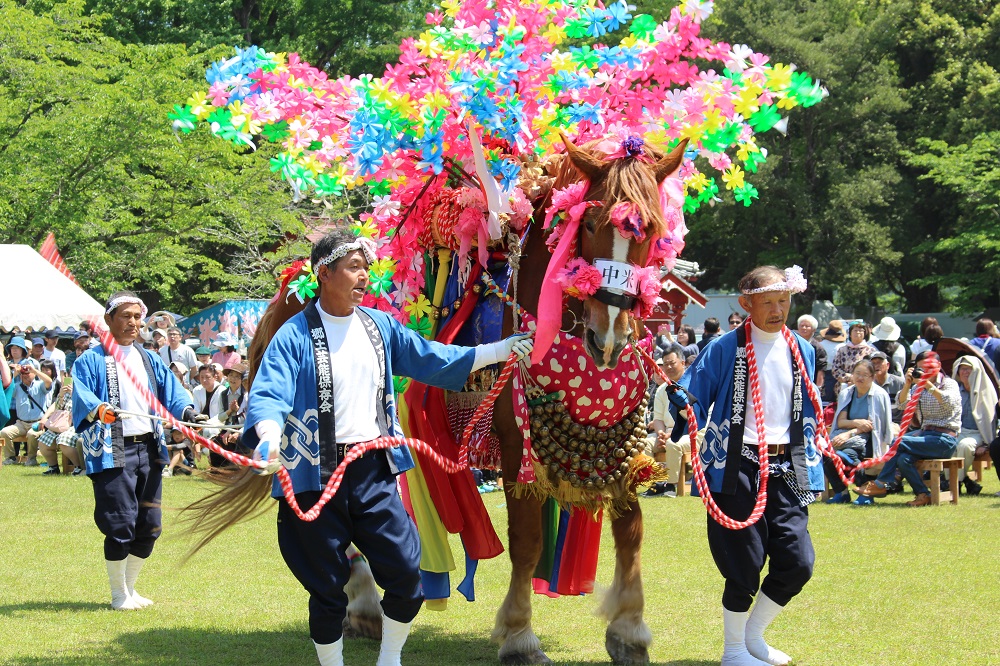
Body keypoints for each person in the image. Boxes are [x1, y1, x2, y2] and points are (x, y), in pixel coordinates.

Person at [196, 231, 533, 666]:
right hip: (312, 477)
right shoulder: (293, 336)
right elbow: (269, 394)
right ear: (324, 273)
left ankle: (389, 659)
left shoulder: (380, 327)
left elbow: (432, 359)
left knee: (406, 575)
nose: (363, 276)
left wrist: (499, 350)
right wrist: (266, 436)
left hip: (373, 471)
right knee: (326, 587)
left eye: (365, 268)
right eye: (353, 267)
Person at [671, 265, 821, 666]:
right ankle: (733, 651)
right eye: (768, 302)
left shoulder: (802, 349)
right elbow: (693, 391)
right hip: (735, 465)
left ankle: (753, 637)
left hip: (786, 465)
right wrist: (685, 407)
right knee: (744, 564)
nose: (777, 309)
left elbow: (806, 412)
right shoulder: (724, 347)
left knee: (798, 562)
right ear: (746, 304)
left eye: (784, 301)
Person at [71, 291, 204, 610]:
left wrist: (187, 412)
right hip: (111, 451)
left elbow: (172, 392)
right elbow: (83, 396)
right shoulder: (90, 359)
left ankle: (129, 589)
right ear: (108, 320)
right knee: (120, 522)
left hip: (149, 447)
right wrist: (99, 409)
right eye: (125, 316)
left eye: (136, 317)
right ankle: (118, 594)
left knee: (150, 523)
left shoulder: (149, 358)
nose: (133, 322)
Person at [856, 351, 962, 507]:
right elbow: (901, 404)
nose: (923, 372)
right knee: (903, 459)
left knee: (898, 441)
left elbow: (948, 402)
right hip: (924, 435)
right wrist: (907, 384)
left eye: (927, 368)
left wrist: (928, 385)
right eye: (920, 369)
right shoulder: (918, 386)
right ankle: (923, 494)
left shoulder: (949, 383)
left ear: (938, 367)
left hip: (944, 440)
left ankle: (882, 482)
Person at [823, 359, 893, 505]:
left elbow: (871, 425)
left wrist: (849, 433)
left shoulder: (878, 395)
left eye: (865, 375)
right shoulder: (847, 393)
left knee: (851, 455)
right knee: (827, 456)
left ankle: (865, 493)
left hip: (870, 440)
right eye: (857, 373)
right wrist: (856, 423)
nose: (860, 378)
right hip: (846, 436)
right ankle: (841, 492)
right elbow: (841, 421)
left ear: (872, 377)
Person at [644, 343, 687, 498]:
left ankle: (671, 485)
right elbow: (658, 418)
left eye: (672, 363)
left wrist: (670, 435)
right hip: (667, 432)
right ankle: (656, 483)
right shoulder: (662, 389)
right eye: (665, 364)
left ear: (683, 363)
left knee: (673, 443)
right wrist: (661, 433)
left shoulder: (693, 384)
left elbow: (696, 418)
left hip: (691, 433)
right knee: (643, 443)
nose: (668, 367)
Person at [951, 355, 996, 496]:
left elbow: (990, 422)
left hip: (977, 433)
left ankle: (953, 483)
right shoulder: (955, 391)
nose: (965, 372)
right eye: (962, 369)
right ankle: (964, 482)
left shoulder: (986, 391)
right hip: (958, 431)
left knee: (965, 446)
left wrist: (987, 444)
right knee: (949, 446)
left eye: (969, 369)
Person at [0, 358, 52, 466]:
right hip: (21, 423)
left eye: (28, 373)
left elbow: (49, 381)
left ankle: (31, 459)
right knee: (4, 432)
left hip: (37, 423)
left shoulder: (39, 385)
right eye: (24, 374)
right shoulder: (18, 387)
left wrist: (34, 370)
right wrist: (15, 373)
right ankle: (10, 458)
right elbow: (7, 387)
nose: (26, 375)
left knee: (31, 434)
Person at [37, 382, 83, 475]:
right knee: (43, 441)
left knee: (63, 439)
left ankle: (79, 467)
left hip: (77, 424)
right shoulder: (65, 391)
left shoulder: (82, 390)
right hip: (62, 424)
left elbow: (83, 407)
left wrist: (74, 394)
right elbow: (58, 408)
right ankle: (53, 468)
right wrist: (61, 395)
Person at [830, 321, 876, 391]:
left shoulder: (870, 351)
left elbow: (872, 370)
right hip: (843, 386)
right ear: (850, 334)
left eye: (861, 331)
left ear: (865, 334)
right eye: (855, 330)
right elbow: (835, 369)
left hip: (862, 386)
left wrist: (856, 379)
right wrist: (849, 378)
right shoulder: (842, 350)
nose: (858, 332)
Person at [870, 351, 904, 422]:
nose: (876, 365)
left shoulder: (900, 383)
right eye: (873, 363)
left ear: (888, 365)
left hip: (896, 422)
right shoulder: (868, 384)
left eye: (879, 362)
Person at [796, 315, 826, 390]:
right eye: (802, 325)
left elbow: (821, 369)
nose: (804, 328)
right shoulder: (792, 343)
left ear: (813, 329)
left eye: (807, 326)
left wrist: (818, 387)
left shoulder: (817, 347)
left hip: (810, 384)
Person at [818, 320, 845, 403]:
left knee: (824, 402)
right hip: (840, 376)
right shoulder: (843, 347)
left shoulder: (820, 345)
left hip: (823, 374)